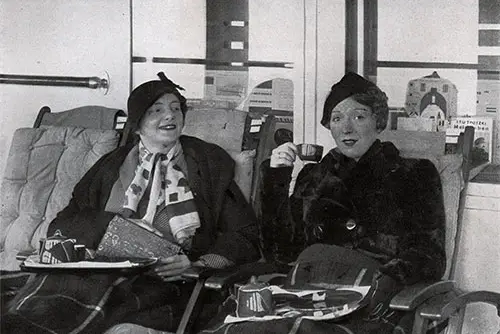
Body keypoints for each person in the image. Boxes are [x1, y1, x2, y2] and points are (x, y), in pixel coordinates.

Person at [1, 72, 260, 333]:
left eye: (175, 109)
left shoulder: (207, 162)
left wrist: (197, 263)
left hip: (164, 282)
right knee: (53, 294)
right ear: (137, 124)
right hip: (101, 269)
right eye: (156, 110)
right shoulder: (111, 164)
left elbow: (244, 234)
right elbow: (67, 221)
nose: (169, 116)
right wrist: (108, 229)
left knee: (84, 297)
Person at [200, 72, 446, 334]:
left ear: (378, 122)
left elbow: (429, 254)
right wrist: (276, 179)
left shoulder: (414, 173)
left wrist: (388, 280)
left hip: (368, 295)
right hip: (303, 287)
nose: (346, 128)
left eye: (359, 116)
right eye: (337, 118)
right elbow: (280, 252)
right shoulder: (314, 176)